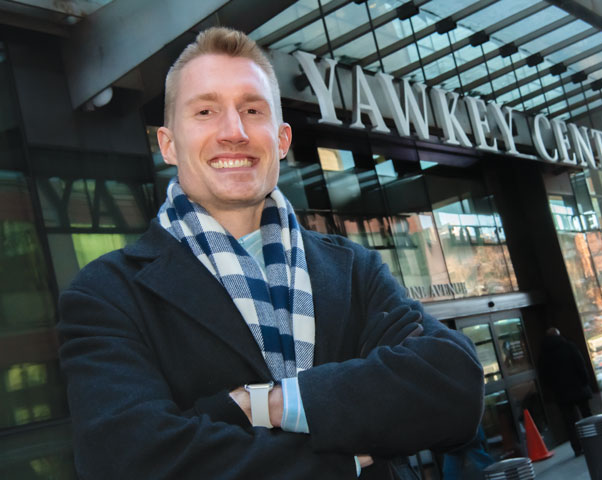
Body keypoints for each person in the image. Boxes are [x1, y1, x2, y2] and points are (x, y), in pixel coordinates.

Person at [57, 27, 484, 479]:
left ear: (281, 140)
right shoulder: (106, 295)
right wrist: (341, 459)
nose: (234, 132)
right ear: (168, 144)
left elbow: (453, 384)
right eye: (205, 110)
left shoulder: (353, 268)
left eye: (252, 110)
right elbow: (129, 462)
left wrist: (261, 403)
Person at [538, 327, 593, 456]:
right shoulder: (569, 347)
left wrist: (553, 391)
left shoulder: (544, 355)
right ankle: (593, 440)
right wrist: (585, 382)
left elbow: (544, 377)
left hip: (561, 393)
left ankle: (577, 448)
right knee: (587, 416)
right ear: (558, 335)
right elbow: (580, 365)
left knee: (570, 422)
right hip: (578, 388)